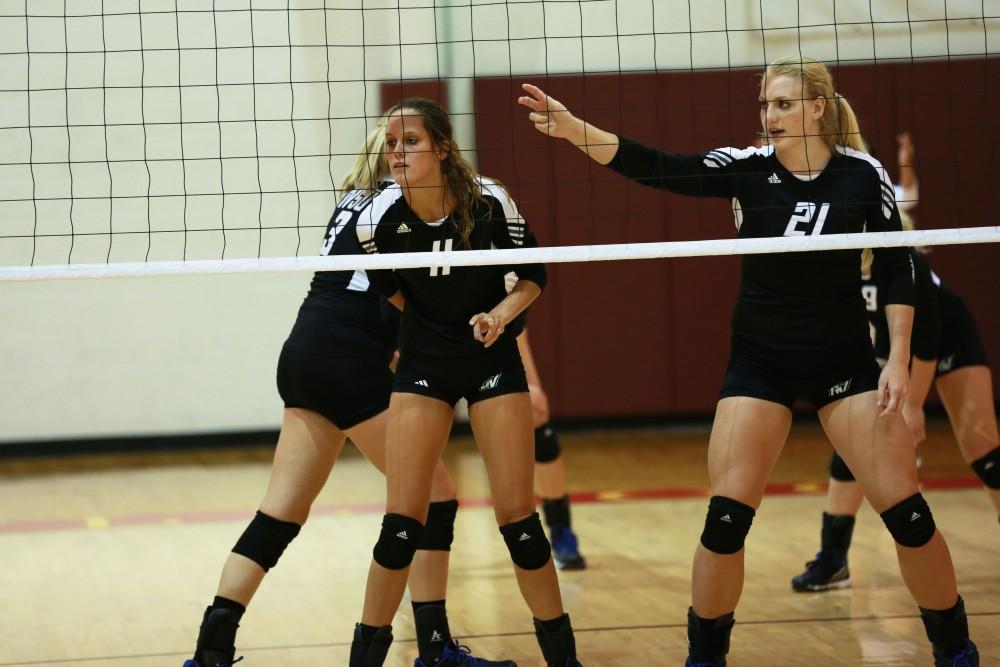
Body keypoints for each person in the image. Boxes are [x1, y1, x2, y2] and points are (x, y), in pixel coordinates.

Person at [519, 56, 979, 666]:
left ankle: (955, 650)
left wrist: (896, 360)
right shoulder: (745, 169)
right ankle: (705, 657)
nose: (771, 116)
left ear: (818, 107)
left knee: (910, 515)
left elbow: (899, 269)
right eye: (765, 105)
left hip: (844, 360)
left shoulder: (863, 177)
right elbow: (659, 169)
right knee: (726, 520)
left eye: (784, 104)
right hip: (760, 363)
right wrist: (575, 127)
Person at [183, 125, 510, 667]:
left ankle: (210, 653)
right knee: (435, 499)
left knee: (280, 512)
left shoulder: (355, 198)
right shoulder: (406, 206)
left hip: (305, 353)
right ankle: (433, 651)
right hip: (350, 361)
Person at [349, 97, 583, 667]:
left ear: (442, 148)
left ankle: (563, 658)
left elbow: (533, 278)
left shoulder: (489, 202)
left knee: (518, 520)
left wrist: (498, 316)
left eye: (411, 142)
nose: (397, 152)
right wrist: (427, 330)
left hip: (490, 357)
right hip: (425, 361)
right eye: (392, 142)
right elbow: (391, 291)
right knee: (402, 522)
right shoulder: (375, 220)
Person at [792, 209, 1000, 591]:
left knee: (982, 448)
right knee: (853, 446)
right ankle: (834, 559)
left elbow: (928, 340)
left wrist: (914, 405)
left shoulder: (902, 260)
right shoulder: (837, 261)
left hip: (944, 342)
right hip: (890, 354)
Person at [519, 327, 587, 570]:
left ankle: (561, 529)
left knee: (536, 409)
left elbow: (518, 332)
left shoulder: (505, 289)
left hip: (492, 340)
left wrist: (531, 384)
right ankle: (405, 532)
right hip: (432, 345)